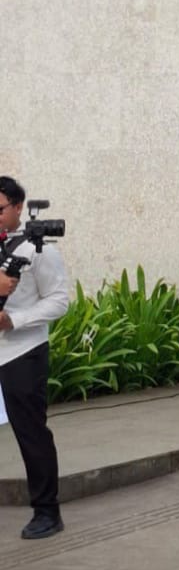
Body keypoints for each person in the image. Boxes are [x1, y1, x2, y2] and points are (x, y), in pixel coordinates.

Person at [0, 176, 70, 539]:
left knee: (31, 435)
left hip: (21, 353)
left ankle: (47, 511)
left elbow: (59, 301)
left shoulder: (40, 250)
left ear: (17, 207)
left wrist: (14, 319)